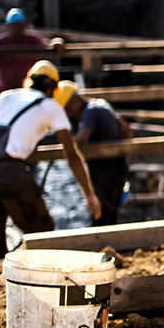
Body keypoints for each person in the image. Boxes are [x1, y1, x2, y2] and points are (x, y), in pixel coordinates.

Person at [0, 59, 101, 263]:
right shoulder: (50, 107)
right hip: (11, 173)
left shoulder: (3, 98)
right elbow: (71, 154)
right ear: (53, 89)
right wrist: (89, 195)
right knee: (42, 233)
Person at [55, 81, 133, 225]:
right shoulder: (102, 104)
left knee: (99, 214)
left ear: (74, 102)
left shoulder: (89, 112)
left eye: (66, 109)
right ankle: (112, 244)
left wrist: (68, 143)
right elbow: (127, 129)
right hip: (117, 168)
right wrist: (125, 158)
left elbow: (83, 137)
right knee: (111, 213)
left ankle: (102, 245)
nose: (67, 114)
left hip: (102, 171)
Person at [0, 8, 52, 93]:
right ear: (8, 27)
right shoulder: (1, 41)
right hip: (5, 92)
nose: (16, 30)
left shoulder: (32, 39)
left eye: (19, 26)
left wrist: (58, 42)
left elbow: (49, 45)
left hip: (27, 91)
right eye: (13, 26)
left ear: (24, 27)